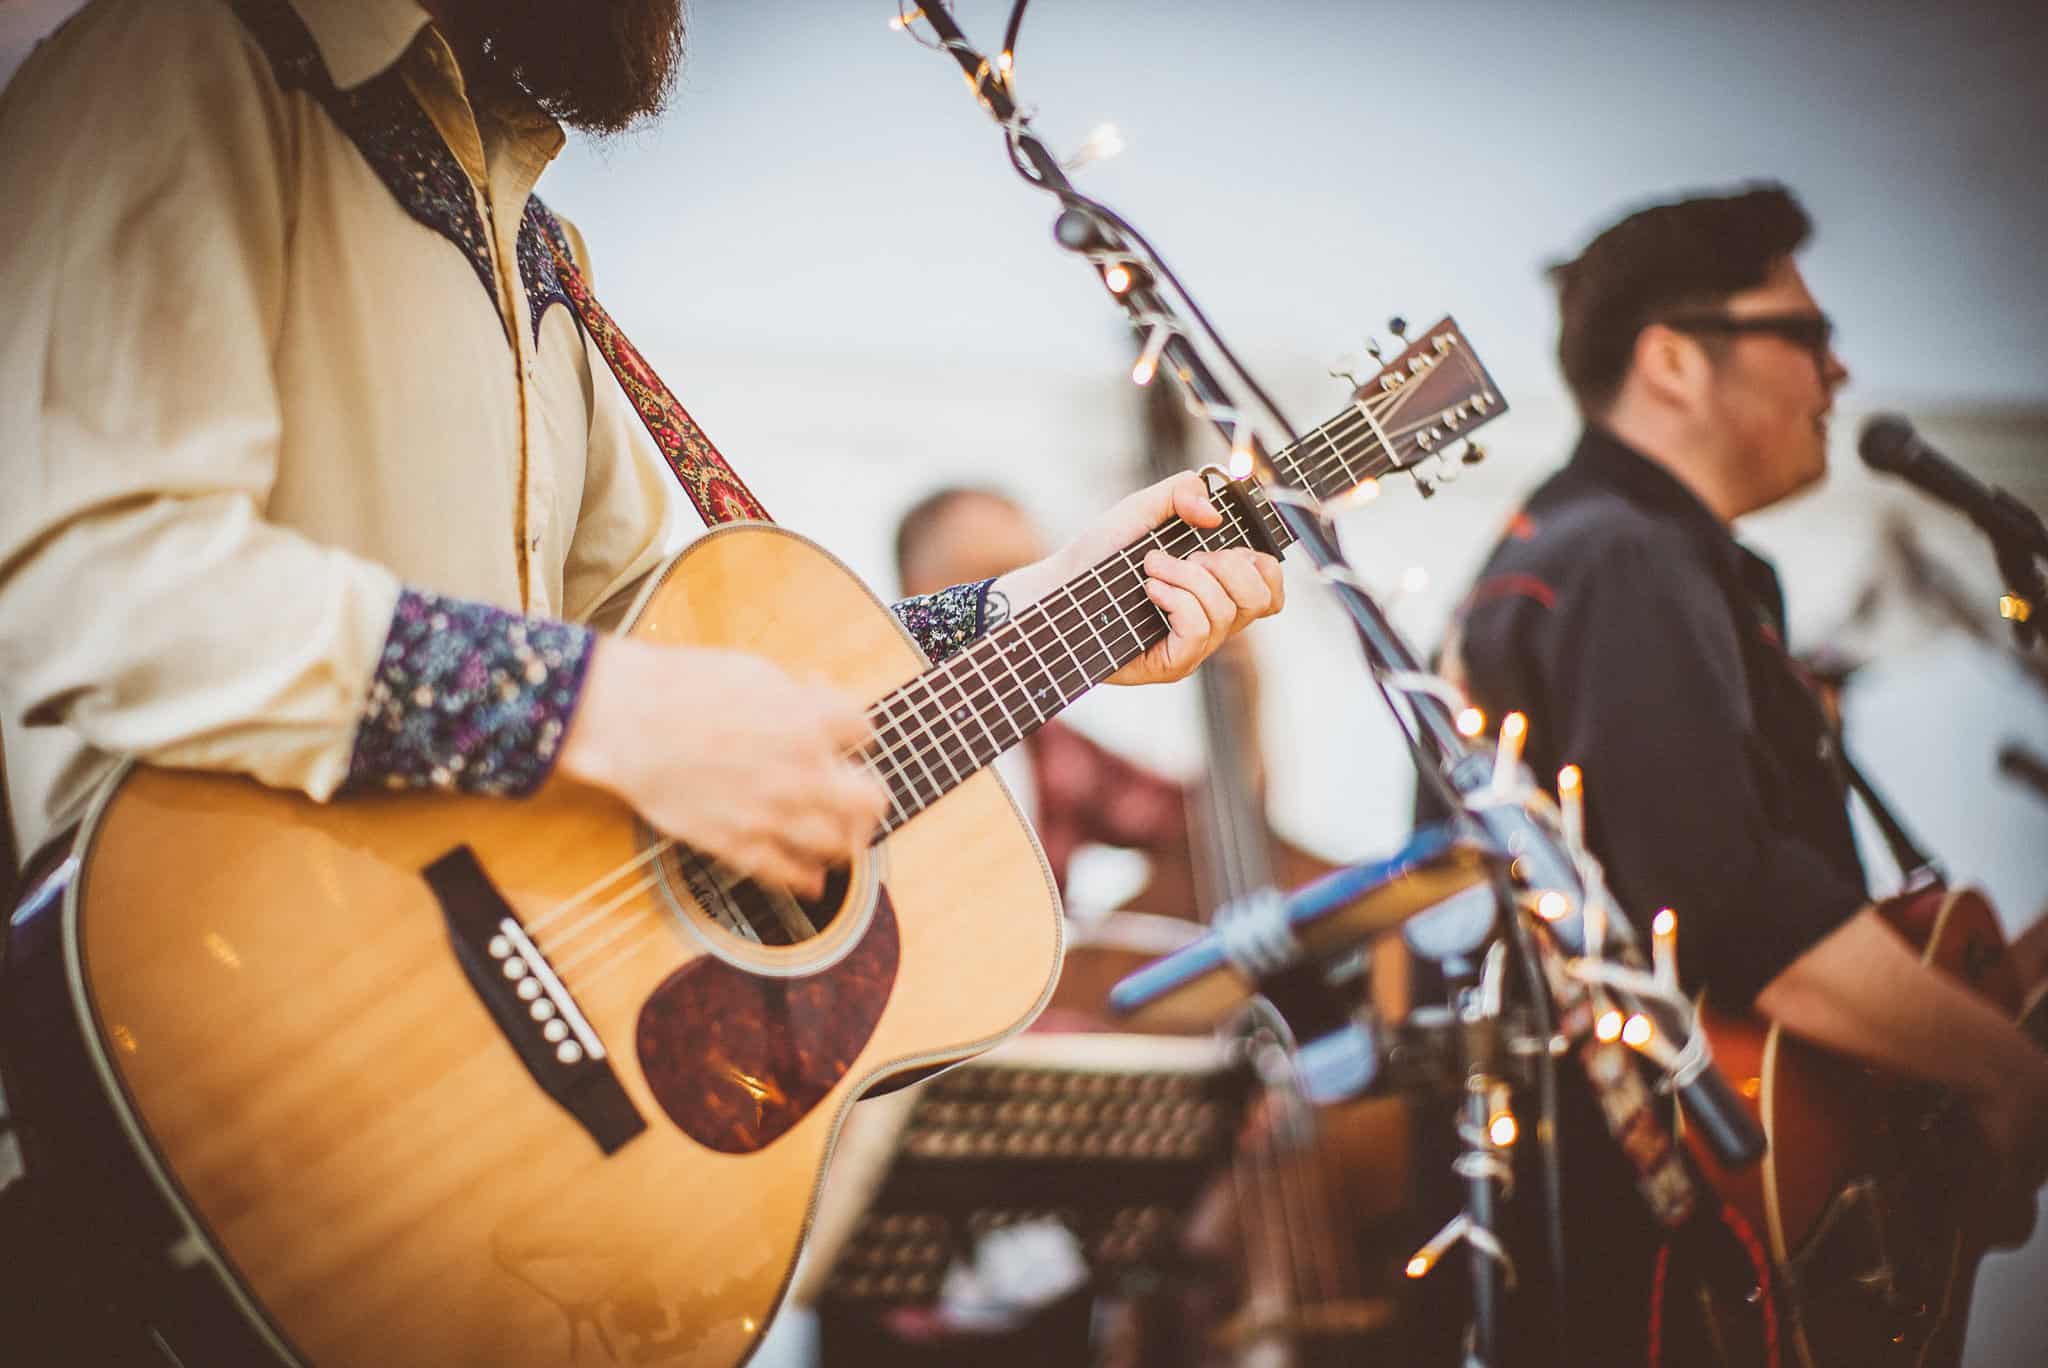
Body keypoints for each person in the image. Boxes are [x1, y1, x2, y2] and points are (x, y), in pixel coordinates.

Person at [0, 0, 1283, 1360]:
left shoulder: (543, 256)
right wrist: (594, 712)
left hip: (464, 1168)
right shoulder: (191, 55)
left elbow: (685, 680)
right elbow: (94, 574)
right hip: (167, 1066)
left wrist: (1030, 612)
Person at [1437, 184, 2048, 1364]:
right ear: (1672, 360)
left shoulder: (1637, 558)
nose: (1838, 375)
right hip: (1655, 1266)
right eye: (1806, 336)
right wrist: (2001, 1070)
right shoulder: (1620, 553)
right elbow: (1727, 906)